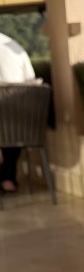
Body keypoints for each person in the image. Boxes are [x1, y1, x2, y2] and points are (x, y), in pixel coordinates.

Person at [0, 31, 36, 193]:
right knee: (11, 127)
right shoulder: (16, 48)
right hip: (21, 126)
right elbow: (31, 82)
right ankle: (8, 179)